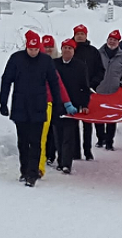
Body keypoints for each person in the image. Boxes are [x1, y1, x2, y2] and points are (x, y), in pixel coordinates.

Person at [0, 30, 62, 187]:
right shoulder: (16, 59)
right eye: (30, 49)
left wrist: (58, 104)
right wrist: (3, 103)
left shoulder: (46, 61)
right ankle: (24, 170)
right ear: (26, 47)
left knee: (35, 141)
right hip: (20, 105)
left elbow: (54, 83)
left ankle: (32, 174)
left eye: (35, 49)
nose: (33, 52)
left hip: (38, 106)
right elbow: (6, 80)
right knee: (22, 141)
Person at [52, 39, 90, 174]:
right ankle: (60, 158)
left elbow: (85, 87)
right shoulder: (54, 64)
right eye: (65, 48)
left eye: (70, 48)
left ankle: (66, 163)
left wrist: (84, 104)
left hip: (73, 105)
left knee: (69, 135)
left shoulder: (80, 66)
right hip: (56, 104)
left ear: (74, 51)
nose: (67, 50)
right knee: (58, 134)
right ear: (61, 50)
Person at [95, 30, 122, 151]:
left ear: (118, 42)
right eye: (110, 39)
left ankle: (109, 142)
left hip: (114, 91)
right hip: (99, 89)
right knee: (98, 117)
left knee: (111, 118)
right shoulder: (99, 53)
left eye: (114, 40)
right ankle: (100, 138)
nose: (112, 41)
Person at [40, 35, 73, 174]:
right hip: (36, 102)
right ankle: (44, 157)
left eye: (50, 47)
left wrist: (67, 102)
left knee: (53, 132)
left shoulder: (55, 62)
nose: (48, 50)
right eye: (45, 47)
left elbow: (59, 84)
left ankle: (48, 158)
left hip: (53, 102)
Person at [72, 24, 105, 161]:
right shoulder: (69, 49)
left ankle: (87, 150)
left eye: (82, 33)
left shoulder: (93, 51)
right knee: (73, 122)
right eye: (77, 33)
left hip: (89, 90)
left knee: (87, 122)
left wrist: (93, 84)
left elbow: (101, 70)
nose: (80, 36)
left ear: (86, 35)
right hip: (72, 91)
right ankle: (75, 151)